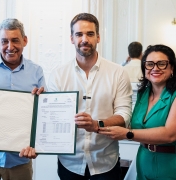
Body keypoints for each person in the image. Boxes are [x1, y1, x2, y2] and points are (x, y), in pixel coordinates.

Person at [48, 13, 132, 180]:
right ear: (72, 38)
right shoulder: (58, 74)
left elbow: (124, 114)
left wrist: (96, 124)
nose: (84, 39)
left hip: (106, 162)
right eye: (79, 34)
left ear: (98, 37)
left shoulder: (118, 72)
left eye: (90, 34)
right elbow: (51, 117)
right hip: (69, 164)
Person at [99, 44, 176, 180]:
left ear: (172, 68)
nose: (155, 68)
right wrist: (99, 124)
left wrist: (127, 134)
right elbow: (134, 125)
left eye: (162, 64)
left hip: (169, 165)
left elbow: (170, 134)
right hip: (144, 161)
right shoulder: (143, 93)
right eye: (150, 64)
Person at [0, 18, 46, 180]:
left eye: (15, 40)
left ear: (25, 41)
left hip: (21, 159)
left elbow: (42, 116)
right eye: (4, 41)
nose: (10, 47)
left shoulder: (36, 72)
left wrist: (42, 101)